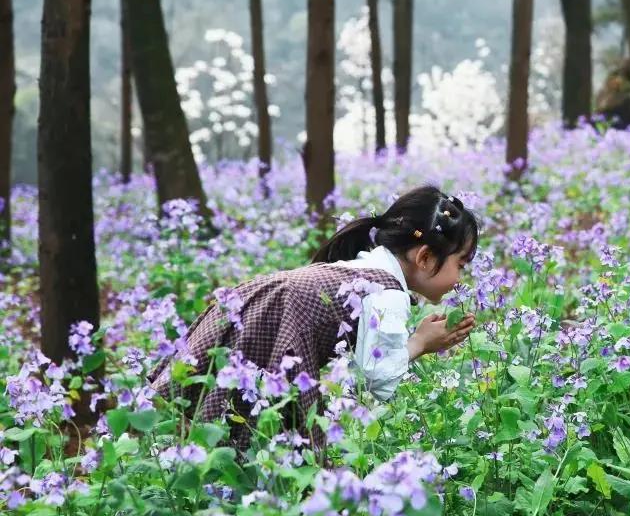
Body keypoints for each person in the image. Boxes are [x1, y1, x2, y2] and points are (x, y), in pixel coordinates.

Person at [150, 185, 478, 448]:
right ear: (424, 257)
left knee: (211, 407)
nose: (461, 278)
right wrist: (419, 343)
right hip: (277, 321)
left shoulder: (368, 265)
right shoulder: (388, 291)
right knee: (273, 441)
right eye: (460, 265)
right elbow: (375, 377)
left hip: (252, 302)